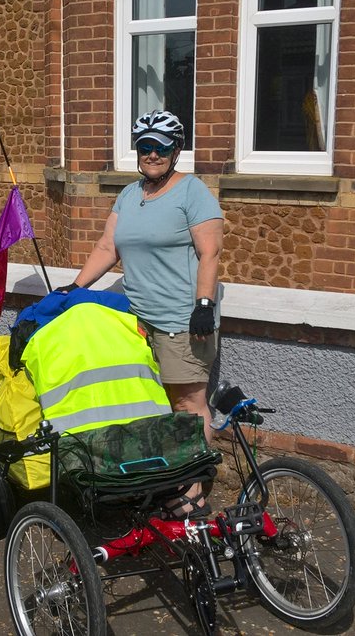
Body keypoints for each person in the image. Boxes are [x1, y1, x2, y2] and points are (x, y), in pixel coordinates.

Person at [65, 109, 224, 517]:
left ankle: (194, 488)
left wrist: (203, 305)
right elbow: (107, 247)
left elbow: (210, 252)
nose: (152, 154)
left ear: (176, 151)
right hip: (138, 319)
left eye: (161, 147)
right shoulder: (129, 195)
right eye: (145, 147)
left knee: (188, 405)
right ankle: (163, 478)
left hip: (181, 320)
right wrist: (75, 288)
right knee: (152, 403)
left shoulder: (192, 192)